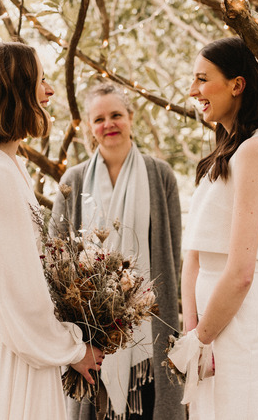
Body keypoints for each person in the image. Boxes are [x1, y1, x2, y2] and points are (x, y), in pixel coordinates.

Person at [0, 42, 104, 420]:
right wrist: (74, 349)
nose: (50, 92)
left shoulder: (3, 164)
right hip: (11, 344)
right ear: (12, 91)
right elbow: (17, 288)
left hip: (11, 334)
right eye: (41, 81)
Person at [169, 36, 258, 419]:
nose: (193, 91)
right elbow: (195, 254)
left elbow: (240, 273)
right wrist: (192, 332)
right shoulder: (226, 151)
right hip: (209, 322)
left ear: (237, 85)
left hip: (241, 321)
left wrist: (200, 337)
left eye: (203, 79)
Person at [53, 82, 184, 420]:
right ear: (88, 127)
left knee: (150, 405)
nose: (108, 124)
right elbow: (57, 257)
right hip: (92, 326)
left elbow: (172, 253)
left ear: (131, 118)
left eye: (116, 115)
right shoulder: (75, 179)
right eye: (99, 119)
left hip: (148, 321)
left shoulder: (160, 175)